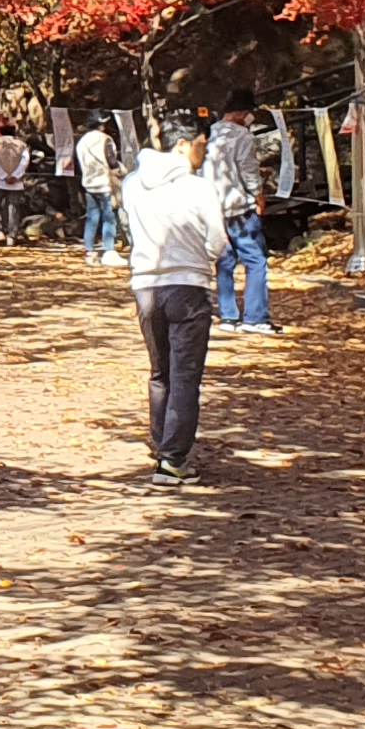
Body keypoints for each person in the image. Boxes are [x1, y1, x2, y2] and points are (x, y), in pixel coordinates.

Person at [124, 124, 228, 483]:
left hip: (145, 286)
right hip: (188, 284)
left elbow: (130, 229)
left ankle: (163, 446)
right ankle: (172, 459)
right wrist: (203, 259)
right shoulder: (198, 186)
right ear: (182, 145)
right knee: (185, 375)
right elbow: (217, 237)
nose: (205, 150)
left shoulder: (132, 183)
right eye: (201, 143)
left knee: (160, 372)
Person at [204, 104, 272, 332]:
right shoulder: (242, 135)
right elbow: (248, 167)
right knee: (256, 261)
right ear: (240, 111)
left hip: (213, 205)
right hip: (239, 206)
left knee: (224, 262)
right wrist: (257, 193)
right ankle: (255, 317)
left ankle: (228, 315)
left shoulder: (208, 132)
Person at [74, 111, 122, 265]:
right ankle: (109, 249)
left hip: (88, 183)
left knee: (92, 218)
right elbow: (111, 159)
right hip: (104, 182)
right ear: (101, 125)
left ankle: (89, 251)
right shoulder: (105, 139)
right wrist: (119, 171)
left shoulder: (82, 141)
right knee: (109, 217)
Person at [0, 118, 34, 245]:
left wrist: (3, 175)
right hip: (17, 183)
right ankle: (12, 235)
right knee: (14, 208)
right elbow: (25, 162)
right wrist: (16, 175)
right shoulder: (21, 144)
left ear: (0, 131)